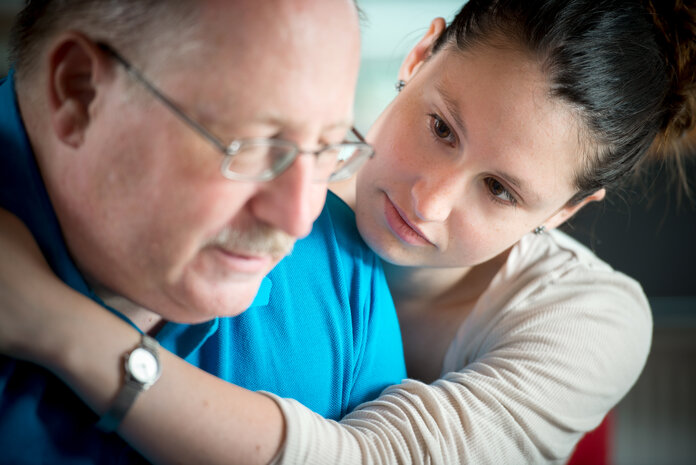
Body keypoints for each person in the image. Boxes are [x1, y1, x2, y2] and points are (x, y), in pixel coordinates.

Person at [2, 0, 695, 463]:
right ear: (421, 55)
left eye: (500, 190)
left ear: (565, 213)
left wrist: (57, 324)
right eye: (440, 128)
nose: (428, 200)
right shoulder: (308, 199)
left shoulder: (587, 318)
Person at [0, 0, 407, 463]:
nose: (299, 220)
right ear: (80, 93)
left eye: (327, 148)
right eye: (253, 148)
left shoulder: (342, 264)